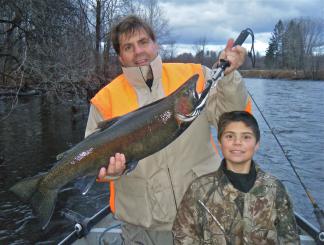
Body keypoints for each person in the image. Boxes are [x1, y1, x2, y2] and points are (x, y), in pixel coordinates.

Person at [85, 15, 251, 244]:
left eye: (144, 42)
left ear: (156, 44)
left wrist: (229, 78)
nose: (139, 51)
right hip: (143, 229)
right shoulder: (104, 101)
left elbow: (232, 119)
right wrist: (108, 171)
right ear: (120, 55)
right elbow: (92, 162)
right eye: (128, 47)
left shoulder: (196, 76)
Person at [172, 111, 300, 244]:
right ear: (220, 143)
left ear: (257, 144)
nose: (237, 142)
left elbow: (289, 239)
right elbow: (183, 236)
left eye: (246, 137)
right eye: (229, 136)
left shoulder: (275, 189)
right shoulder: (199, 189)